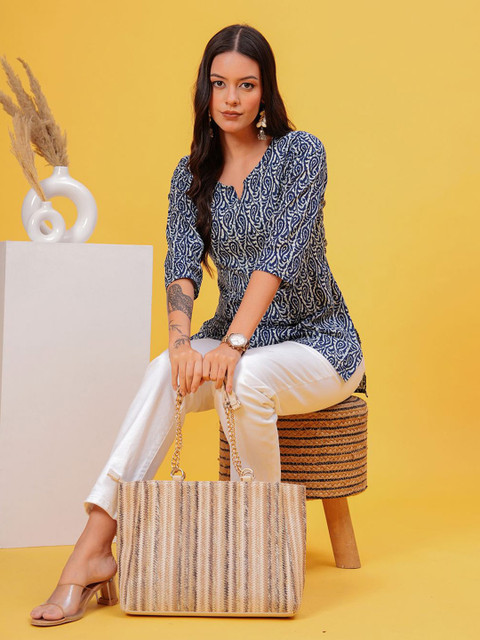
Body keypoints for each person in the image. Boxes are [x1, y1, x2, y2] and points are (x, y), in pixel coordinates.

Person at [30, 23, 367, 626]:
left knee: (247, 378)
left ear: (265, 92)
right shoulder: (190, 174)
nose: (231, 99)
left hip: (319, 343)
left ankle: (260, 550)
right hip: (235, 340)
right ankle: (93, 549)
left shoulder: (301, 154)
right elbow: (182, 267)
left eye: (246, 85)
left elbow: (279, 256)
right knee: (163, 372)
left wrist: (234, 343)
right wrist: (181, 343)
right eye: (220, 84)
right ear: (205, 91)